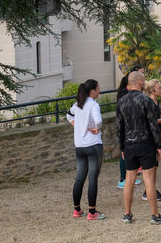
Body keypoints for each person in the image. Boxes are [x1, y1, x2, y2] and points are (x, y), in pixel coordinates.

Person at [116, 71, 161, 225]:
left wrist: (122, 148)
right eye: (144, 81)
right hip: (145, 143)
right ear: (139, 83)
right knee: (149, 180)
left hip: (129, 143)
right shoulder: (147, 101)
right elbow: (153, 125)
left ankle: (127, 214)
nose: (145, 83)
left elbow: (119, 127)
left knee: (129, 180)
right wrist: (158, 146)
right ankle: (155, 215)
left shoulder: (121, 102)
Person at [67, 79, 106, 220]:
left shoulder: (78, 104)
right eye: (98, 88)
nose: (100, 90)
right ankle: (92, 212)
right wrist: (97, 128)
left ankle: (77, 210)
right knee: (92, 178)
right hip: (93, 145)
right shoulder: (93, 105)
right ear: (93, 91)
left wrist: (76, 125)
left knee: (79, 178)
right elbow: (99, 120)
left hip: (79, 146)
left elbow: (68, 115)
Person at [142, 79, 161, 202]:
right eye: (159, 88)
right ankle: (148, 191)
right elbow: (147, 122)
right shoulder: (149, 103)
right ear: (152, 90)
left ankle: (152, 189)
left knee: (155, 165)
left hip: (155, 136)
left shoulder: (154, 102)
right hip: (150, 138)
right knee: (152, 166)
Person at [116, 65, 144, 189]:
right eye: (141, 75)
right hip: (129, 133)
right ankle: (123, 178)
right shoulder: (124, 94)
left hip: (133, 133)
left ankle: (129, 177)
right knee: (124, 155)